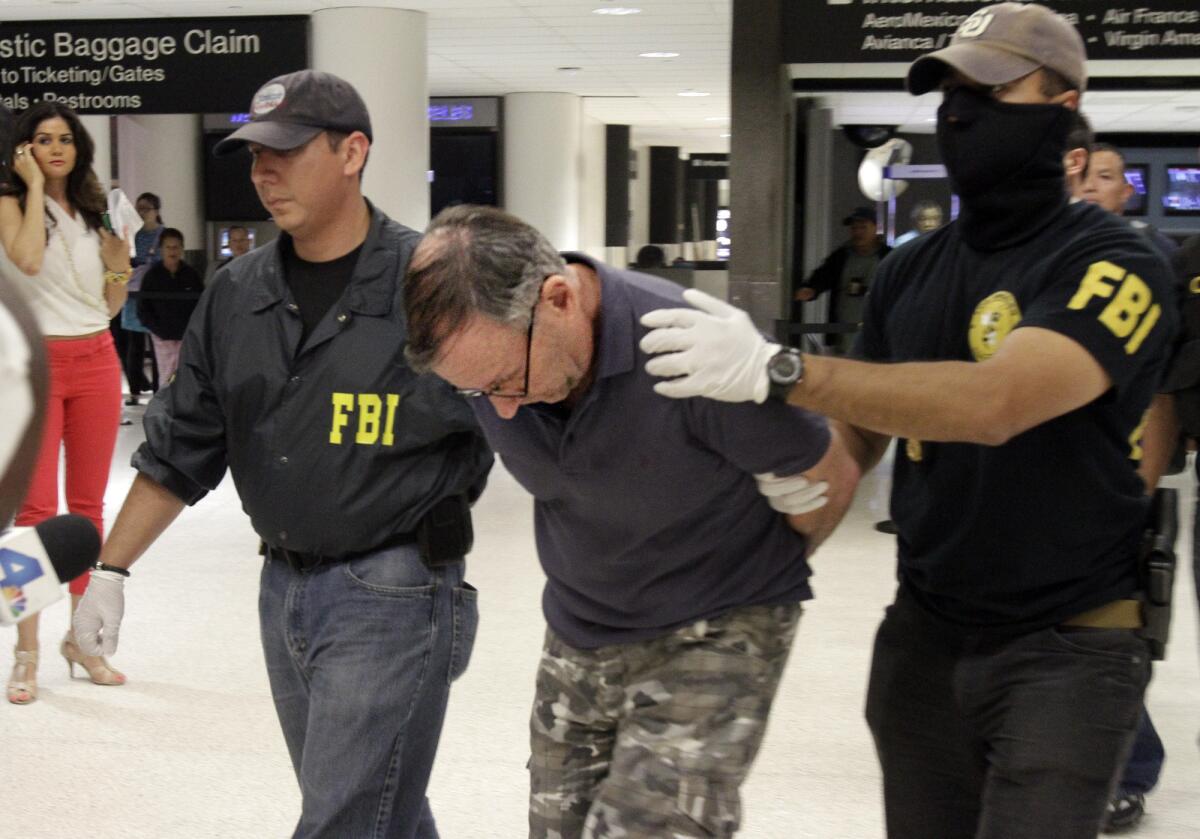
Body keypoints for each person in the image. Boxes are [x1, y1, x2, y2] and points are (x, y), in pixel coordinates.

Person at [638, 5, 1178, 837]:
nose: (962, 113)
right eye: (951, 92)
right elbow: (855, 442)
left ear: (1063, 105)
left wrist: (780, 370)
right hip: (925, 633)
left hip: (1066, 646)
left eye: (992, 90)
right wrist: (740, 574)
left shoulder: (1112, 261)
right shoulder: (911, 270)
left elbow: (996, 404)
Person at [71, 70, 493, 838]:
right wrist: (109, 570)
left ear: (352, 151)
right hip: (284, 586)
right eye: (255, 156)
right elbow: (183, 444)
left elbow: (521, 410)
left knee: (342, 817)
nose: (263, 173)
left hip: (395, 587)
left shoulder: (432, 284)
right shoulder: (238, 293)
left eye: (286, 152)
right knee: (382, 806)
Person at [402, 204, 859, 838]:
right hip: (582, 621)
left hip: (715, 626)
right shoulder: (497, 363)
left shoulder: (683, 345)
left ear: (558, 298)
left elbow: (831, 473)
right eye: (480, 392)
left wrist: (755, 581)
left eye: (507, 380)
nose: (502, 411)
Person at [0, 101, 134, 704]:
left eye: (65, 140)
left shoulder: (94, 210)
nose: (55, 149)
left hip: (97, 360)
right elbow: (25, 258)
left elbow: (107, 306)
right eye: (42, 140)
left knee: (86, 508)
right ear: (24, 148)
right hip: (35, 366)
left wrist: (118, 271)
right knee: (32, 515)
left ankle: (82, 641)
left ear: (79, 148)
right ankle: (24, 652)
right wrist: (29, 186)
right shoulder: (10, 204)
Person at [793, 206, 891, 353]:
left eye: (863, 227)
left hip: (879, 337)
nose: (857, 232)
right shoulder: (841, 256)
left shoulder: (889, 258)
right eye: (854, 228)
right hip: (843, 337)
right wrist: (811, 288)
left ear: (876, 228)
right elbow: (823, 275)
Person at [136, 227, 203, 383]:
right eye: (168, 247)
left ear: (182, 249)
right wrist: (157, 330)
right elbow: (143, 309)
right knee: (166, 379)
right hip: (161, 337)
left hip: (186, 337)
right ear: (161, 249)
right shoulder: (151, 276)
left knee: (188, 379)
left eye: (176, 247)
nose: (172, 251)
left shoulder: (191, 275)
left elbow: (201, 305)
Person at [119, 191, 163, 403]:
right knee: (134, 346)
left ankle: (158, 390)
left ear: (156, 211)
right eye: (139, 209)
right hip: (133, 295)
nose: (142, 213)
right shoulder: (132, 235)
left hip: (156, 296)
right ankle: (134, 391)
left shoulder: (163, 234)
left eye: (146, 208)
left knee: (157, 347)